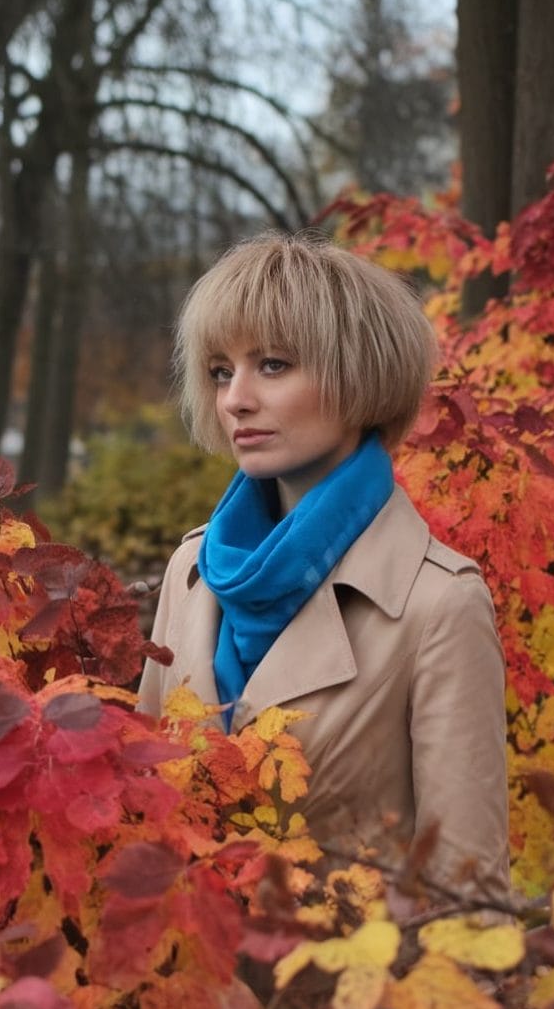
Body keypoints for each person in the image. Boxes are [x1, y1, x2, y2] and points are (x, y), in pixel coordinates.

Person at [136, 232, 509, 901]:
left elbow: (468, 900)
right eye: (222, 371)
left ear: (360, 378)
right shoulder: (193, 570)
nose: (235, 399)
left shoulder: (437, 603)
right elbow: (142, 823)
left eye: (272, 365)